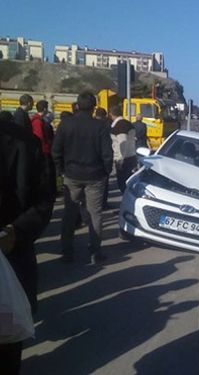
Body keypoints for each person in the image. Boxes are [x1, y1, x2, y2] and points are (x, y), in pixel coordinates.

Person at [0, 116, 54, 374]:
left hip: (9, 265)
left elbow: (44, 202)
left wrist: (17, 232)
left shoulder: (26, 144)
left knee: (7, 347)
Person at [52, 92, 113, 264]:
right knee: (95, 214)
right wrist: (106, 172)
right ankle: (95, 251)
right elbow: (107, 153)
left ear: (77, 105)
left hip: (71, 175)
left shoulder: (65, 124)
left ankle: (67, 251)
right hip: (95, 175)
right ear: (94, 108)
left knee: (69, 214)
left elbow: (56, 150)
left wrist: (61, 170)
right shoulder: (100, 126)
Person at [30, 100, 57, 197]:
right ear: (45, 109)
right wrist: (48, 148)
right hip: (43, 152)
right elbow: (40, 139)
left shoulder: (38, 120)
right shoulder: (38, 121)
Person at [108, 106, 136, 194]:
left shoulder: (119, 126)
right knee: (128, 183)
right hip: (132, 156)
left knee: (122, 184)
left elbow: (122, 143)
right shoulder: (129, 124)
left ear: (111, 114)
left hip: (123, 159)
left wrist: (120, 160)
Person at [94, 108, 112, 209]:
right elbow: (108, 145)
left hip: (92, 158)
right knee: (104, 184)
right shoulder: (106, 126)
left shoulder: (91, 124)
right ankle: (103, 204)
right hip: (102, 159)